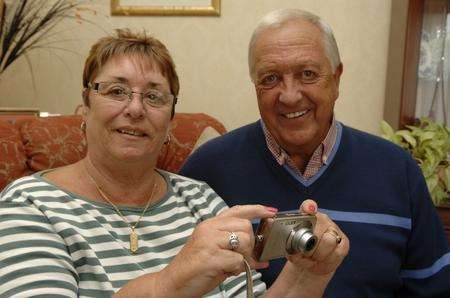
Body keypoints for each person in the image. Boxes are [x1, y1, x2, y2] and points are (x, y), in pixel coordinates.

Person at [0, 29, 349, 297]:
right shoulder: (29, 205)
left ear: (169, 120)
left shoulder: (199, 199)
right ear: (85, 107)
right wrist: (172, 282)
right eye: (116, 91)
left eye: (154, 96)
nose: (135, 109)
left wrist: (308, 274)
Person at [180, 8, 450, 297]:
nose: (290, 95)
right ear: (255, 85)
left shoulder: (398, 171)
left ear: (336, 79)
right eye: (270, 78)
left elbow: (434, 290)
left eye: (307, 74)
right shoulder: (205, 172)